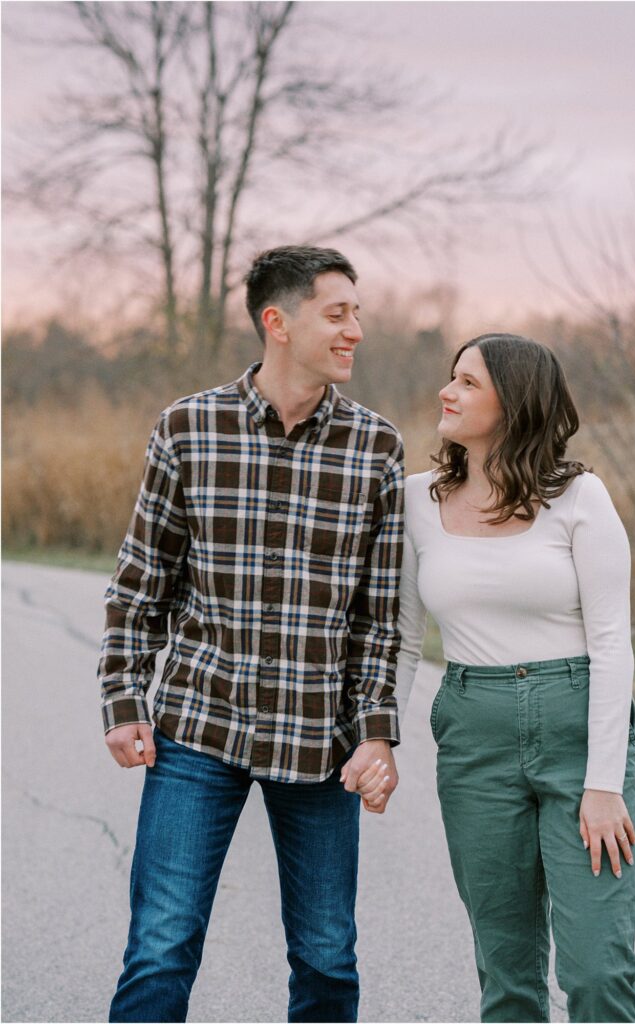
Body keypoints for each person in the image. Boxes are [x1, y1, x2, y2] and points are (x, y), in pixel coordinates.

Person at [98, 245, 402, 1024]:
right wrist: (123, 700)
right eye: (337, 314)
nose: (355, 331)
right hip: (199, 730)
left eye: (356, 314)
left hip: (319, 744)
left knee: (328, 956)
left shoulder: (377, 449)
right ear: (278, 322)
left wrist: (376, 734)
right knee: (160, 947)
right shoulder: (190, 427)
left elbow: (380, 614)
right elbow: (141, 581)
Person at [394, 333, 635, 1023]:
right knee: (507, 974)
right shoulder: (417, 499)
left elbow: (612, 643)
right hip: (475, 736)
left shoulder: (579, 497)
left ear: (516, 401)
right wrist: (379, 738)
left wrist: (602, 784)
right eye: (451, 377)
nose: (447, 391)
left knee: (598, 970)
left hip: (576, 725)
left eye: (468, 382)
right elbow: (404, 639)